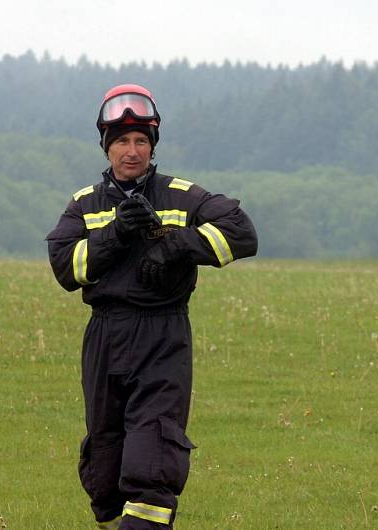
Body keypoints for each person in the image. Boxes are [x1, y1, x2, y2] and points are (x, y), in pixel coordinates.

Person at [46, 83, 258, 529]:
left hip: (163, 338)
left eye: (141, 141)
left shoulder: (182, 196)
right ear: (107, 147)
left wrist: (179, 245)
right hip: (105, 339)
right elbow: (65, 267)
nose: (132, 151)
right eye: (122, 141)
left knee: (151, 461)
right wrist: (116, 234)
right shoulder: (85, 205)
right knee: (104, 471)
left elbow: (242, 233)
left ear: (153, 145)